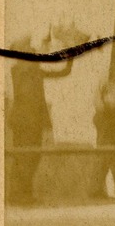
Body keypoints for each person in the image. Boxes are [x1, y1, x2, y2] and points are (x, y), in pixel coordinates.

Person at [7, 39, 72, 205]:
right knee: (25, 158)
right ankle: (18, 196)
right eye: (29, 47)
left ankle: (23, 194)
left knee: (31, 158)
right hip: (24, 122)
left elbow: (62, 72)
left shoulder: (32, 69)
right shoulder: (20, 69)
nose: (33, 49)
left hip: (33, 122)